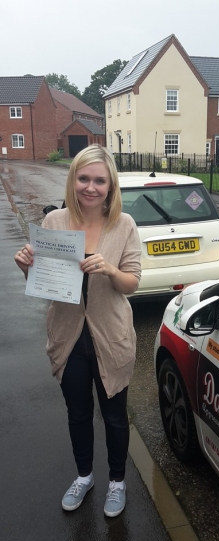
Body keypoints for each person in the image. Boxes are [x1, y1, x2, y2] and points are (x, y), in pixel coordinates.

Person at [14, 144, 141, 517]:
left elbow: (132, 282)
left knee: (115, 415)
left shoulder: (124, 224)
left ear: (111, 185)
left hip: (111, 336)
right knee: (78, 413)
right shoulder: (55, 222)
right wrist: (27, 266)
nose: (91, 187)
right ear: (73, 180)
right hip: (67, 337)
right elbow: (43, 282)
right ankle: (84, 476)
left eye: (99, 180)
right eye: (84, 178)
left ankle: (117, 483)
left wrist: (110, 270)